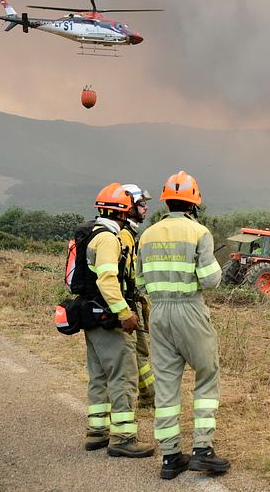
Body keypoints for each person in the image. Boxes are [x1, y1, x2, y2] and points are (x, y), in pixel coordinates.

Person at [136, 170, 228, 480]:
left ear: (165, 202)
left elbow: (139, 282)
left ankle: (170, 457)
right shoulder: (199, 232)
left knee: (165, 384)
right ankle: (202, 449)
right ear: (193, 203)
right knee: (206, 374)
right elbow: (212, 280)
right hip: (189, 309)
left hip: (159, 313)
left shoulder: (146, 235)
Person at [80, 183, 154, 458]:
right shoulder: (110, 239)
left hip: (91, 315)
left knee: (98, 376)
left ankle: (97, 432)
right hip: (110, 318)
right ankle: (123, 437)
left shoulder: (91, 234)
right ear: (123, 211)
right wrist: (125, 313)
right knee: (122, 377)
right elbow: (108, 280)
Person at [119, 183, 155, 408]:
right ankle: (142, 400)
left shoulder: (130, 233)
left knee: (141, 351)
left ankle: (149, 397)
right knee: (131, 355)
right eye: (141, 204)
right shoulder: (123, 235)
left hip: (132, 303)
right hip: (124, 307)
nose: (145, 209)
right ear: (128, 206)